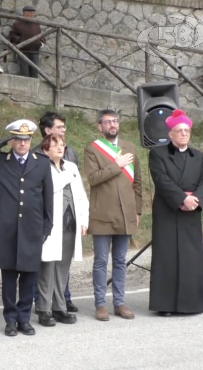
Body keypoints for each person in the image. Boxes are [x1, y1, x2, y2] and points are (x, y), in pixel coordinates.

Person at [0, 120, 53, 337]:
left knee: (28, 276)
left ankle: (24, 318)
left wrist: (47, 226)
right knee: (8, 278)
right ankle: (10, 319)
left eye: (26, 139)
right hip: (6, 229)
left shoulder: (41, 163)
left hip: (32, 229)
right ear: (12, 141)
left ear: (31, 140)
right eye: (17, 139)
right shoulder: (0, 161)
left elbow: (47, 197)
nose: (22, 143)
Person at [148, 110, 203, 316]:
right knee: (167, 257)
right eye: (179, 130)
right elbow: (162, 180)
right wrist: (181, 199)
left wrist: (196, 200)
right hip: (168, 210)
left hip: (191, 211)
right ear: (170, 134)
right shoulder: (157, 153)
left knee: (190, 258)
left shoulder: (198, 156)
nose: (184, 134)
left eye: (186, 130)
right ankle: (165, 305)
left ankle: (190, 304)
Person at [84, 109, 142, 322]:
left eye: (115, 121)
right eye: (108, 122)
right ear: (100, 126)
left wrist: (137, 209)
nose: (112, 125)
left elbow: (138, 182)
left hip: (126, 213)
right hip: (102, 213)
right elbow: (93, 178)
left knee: (120, 260)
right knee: (100, 261)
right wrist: (116, 165)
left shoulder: (130, 147)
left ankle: (119, 302)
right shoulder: (92, 149)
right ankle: (100, 304)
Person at [36, 134, 88, 327]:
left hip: (69, 223)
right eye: (55, 144)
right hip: (51, 225)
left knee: (63, 268)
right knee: (47, 268)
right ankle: (44, 309)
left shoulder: (71, 167)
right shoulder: (41, 166)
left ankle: (59, 307)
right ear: (45, 148)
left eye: (62, 144)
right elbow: (50, 188)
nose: (60, 147)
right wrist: (66, 176)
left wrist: (83, 220)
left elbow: (81, 195)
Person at [31, 111, 79, 313]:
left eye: (64, 128)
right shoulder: (35, 155)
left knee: (62, 264)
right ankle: (42, 305)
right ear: (47, 130)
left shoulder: (71, 154)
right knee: (46, 265)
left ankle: (61, 303)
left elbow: (78, 191)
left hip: (69, 218)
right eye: (59, 127)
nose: (63, 132)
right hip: (47, 219)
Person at [9, 6, 43, 78]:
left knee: (35, 72)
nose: (32, 15)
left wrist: (41, 43)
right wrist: (20, 40)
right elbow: (12, 36)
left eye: (32, 13)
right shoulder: (17, 23)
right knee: (25, 72)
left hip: (35, 51)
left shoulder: (36, 24)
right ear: (25, 13)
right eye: (30, 13)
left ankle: (33, 89)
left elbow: (41, 35)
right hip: (23, 51)